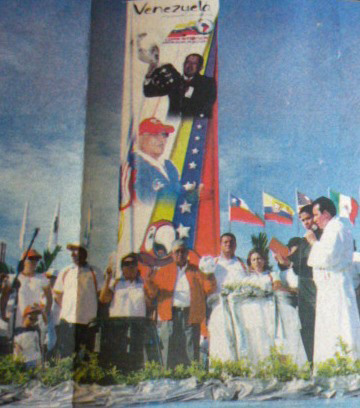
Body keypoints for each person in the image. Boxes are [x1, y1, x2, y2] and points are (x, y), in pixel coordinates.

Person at [144, 239, 216, 368]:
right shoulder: (163, 271)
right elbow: (152, 294)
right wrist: (148, 281)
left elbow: (209, 289)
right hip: (170, 315)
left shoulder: (197, 271)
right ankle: (167, 378)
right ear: (172, 254)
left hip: (191, 314)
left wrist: (209, 274)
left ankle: (191, 377)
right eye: (177, 251)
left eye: (183, 251)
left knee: (191, 348)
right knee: (167, 348)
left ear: (187, 253)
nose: (180, 254)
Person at [306, 196, 360, 363]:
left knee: (339, 324)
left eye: (315, 215)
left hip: (336, 286)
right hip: (330, 286)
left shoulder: (336, 228)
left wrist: (314, 242)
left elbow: (327, 257)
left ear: (326, 213)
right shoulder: (333, 229)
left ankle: (344, 367)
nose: (314, 220)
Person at [276, 204, 321, 363]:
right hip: (304, 289)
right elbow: (294, 265)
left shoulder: (321, 235)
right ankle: (312, 364)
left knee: (320, 327)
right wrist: (286, 261)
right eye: (302, 220)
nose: (306, 223)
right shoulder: (302, 241)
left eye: (308, 218)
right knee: (307, 328)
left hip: (317, 286)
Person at [99, 253, 154, 371]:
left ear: (137, 267)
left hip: (137, 322)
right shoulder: (116, 283)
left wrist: (147, 283)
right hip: (118, 323)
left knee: (136, 352)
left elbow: (150, 303)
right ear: (122, 268)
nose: (130, 267)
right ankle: (118, 376)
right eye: (126, 264)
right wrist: (108, 278)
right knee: (118, 352)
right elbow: (103, 299)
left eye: (133, 264)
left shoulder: (142, 283)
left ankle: (134, 377)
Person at [53, 242, 104, 358]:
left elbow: (101, 295)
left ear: (85, 253)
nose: (74, 255)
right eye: (72, 252)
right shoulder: (65, 271)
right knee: (66, 357)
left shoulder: (95, 272)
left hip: (88, 323)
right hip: (67, 322)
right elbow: (57, 294)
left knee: (87, 357)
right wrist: (68, 309)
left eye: (77, 251)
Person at [205, 233, 247, 361]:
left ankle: (240, 368)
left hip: (240, 307)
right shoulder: (213, 263)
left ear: (236, 245)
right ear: (220, 244)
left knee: (240, 338)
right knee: (220, 338)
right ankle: (220, 368)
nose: (228, 244)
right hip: (219, 307)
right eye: (225, 242)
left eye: (231, 242)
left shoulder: (242, 263)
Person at [143, 53, 216, 118]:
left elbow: (209, 102)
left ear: (200, 68)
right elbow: (148, 93)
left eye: (194, 63)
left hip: (193, 125)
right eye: (188, 62)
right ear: (184, 64)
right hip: (173, 124)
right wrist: (149, 75)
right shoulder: (175, 81)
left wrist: (188, 91)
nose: (190, 66)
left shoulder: (208, 82)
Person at [1, 249, 52, 331]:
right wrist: (3, 314)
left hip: (35, 319)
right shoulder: (13, 278)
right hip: (17, 319)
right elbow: (4, 297)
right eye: (31, 259)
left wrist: (45, 314)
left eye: (36, 260)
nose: (34, 262)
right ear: (23, 261)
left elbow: (49, 298)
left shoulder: (42, 279)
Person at [134, 117, 182, 204]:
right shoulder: (137, 165)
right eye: (155, 134)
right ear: (141, 138)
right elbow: (147, 202)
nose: (161, 140)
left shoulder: (168, 165)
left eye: (164, 135)